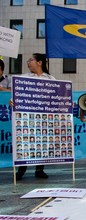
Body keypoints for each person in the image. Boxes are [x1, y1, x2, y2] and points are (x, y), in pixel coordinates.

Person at [10, 53, 55, 181]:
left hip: (44, 117)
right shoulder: (23, 78)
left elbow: (59, 94)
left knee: (42, 141)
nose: (28, 62)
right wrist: (12, 101)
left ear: (39, 62)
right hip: (28, 116)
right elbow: (16, 94)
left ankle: (39, 169)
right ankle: (21, 169)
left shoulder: (51, 79)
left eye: (31, 60)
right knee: (25, 141)